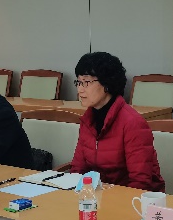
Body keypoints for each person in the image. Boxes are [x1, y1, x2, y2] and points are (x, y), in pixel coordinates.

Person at [68, 52, 164, 191]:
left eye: (86, 82)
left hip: (132, 199)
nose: (80, 89)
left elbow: (140, 182)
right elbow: (77, 169)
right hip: (98, 195)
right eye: (78, 82)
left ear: (107, 84)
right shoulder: (88, 120)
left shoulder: (133, 123)